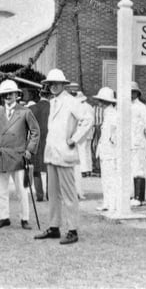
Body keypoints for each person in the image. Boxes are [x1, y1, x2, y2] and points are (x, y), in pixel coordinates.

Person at [34, 69, 92, 245]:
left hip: (65, 153)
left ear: (63, 84)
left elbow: (88, 119)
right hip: (52, 154)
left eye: (56, 83)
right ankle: (54, 227)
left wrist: (74, 139)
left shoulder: (71, 101)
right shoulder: (53, 102)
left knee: (68, 193)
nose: (53, 86)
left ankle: (72, 229)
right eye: (50, 84)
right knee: (52, 193)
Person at [0, 80, 40, 230]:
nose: (8, 96)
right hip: (1, 155)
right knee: (0, 190)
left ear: (17, 95)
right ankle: (4, 217)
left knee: (21, 190)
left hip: (18, 156)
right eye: (5, 94)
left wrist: (29, 150)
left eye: (10, 93)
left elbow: (35, 132)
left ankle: (24, 218)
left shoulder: (25, 111)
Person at [92, 87, 117, 212]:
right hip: (105, 152)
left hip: (111, 152)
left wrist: (113, 140)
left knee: (111, 179)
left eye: (100, 101)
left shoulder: (113, 114)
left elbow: (118, 131)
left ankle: (112, 204)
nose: (99, 103)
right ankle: (107, 203)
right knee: (106, 179)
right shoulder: (108, 113)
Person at [130, 81, 146, 206]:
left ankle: (139, 197)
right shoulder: (125, 107)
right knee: (131, 169)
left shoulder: (141, 107)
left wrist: (141, 135)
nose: (131, 94)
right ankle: (133, 195)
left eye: (133, 92)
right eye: (129, 92)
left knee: (139, 169)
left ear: (137, 93)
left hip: (138, 143)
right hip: (128, 144)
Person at [29, 85, 51, 201]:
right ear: (50, 95)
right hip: (50, 141)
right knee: (50, 169)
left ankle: (39, 194)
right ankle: (50, 194)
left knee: (36, 169)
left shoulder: (32, 108)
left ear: (39, 94)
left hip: (36, 141)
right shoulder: (53, 107)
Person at [73, 92, 95, 199]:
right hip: (89, 133)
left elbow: (79, 120)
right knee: (87, 152)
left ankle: (84, 170)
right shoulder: (90, 106)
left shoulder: (79, 107)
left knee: (81, 152)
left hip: (81, 133)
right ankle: (88, 169)